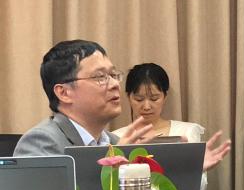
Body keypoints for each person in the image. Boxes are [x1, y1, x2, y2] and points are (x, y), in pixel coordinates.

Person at [15, 40, 231, 171]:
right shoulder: (41, 143)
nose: (114, 84)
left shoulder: (115, 142)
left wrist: (187, 173)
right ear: (64, 92)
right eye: (100, 77)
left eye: (113, 75)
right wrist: (114, 163)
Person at [113, 63, 205, 143]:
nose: (146, 107)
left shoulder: (186, 132)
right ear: (128, 97)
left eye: (154, 99)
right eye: (139, 99)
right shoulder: (116, 138)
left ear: (165, 97)